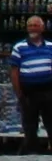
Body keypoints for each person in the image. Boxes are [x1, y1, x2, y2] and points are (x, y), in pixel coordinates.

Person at [10, 13, 52, 153]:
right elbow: (14, 72)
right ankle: (32, 153)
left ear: (42, 28)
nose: (33, 28)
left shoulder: (50, 46)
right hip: (29, 92)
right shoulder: (19, 47)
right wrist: (19, 93)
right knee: (30, 125)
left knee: (50, 123)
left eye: (35, 25)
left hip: (48, 91)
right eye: (30, 26)